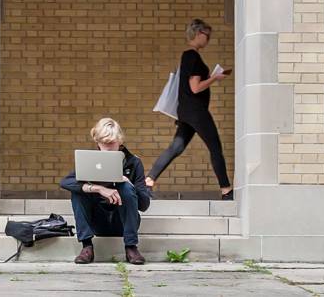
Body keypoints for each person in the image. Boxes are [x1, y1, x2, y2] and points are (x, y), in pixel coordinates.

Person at [145, 19, 233, 200]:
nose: (208, 40)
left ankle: (148, 181)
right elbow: (195, 87)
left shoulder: (188, 57)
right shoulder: (192, 56)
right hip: (196, 111)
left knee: (176, 146)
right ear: (199, 34)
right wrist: (215, 77)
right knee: (215, 148)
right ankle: (226, 189)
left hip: (186, 111)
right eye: (207, 35)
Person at [60, 118, 151, 265]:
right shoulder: (90, 162)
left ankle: (131, 247)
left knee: (126, 187)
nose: (107, 147)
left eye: (112, 142)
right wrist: (99, 188)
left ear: (120, 141)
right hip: (97, 221)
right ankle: (86, 247)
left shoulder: (134, 162)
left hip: (122, 222)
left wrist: (128, 183)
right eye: (103, 143)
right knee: (78, 190)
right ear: (97, 142)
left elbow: (144, 205)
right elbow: (65, 182)